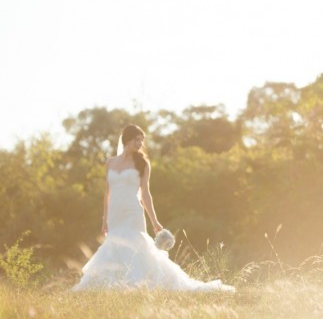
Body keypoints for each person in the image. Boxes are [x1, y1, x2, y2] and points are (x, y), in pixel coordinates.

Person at [72, 124, 234, 292]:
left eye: (142, 140)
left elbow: (145, 194)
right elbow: (107, 193)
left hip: (132, 213)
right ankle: (110, 285)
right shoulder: (110, 163)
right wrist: (104, 219)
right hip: (115, 215)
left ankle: (138, 284)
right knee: (114, 247)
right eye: (137, 140)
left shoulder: (142, 164)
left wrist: (154, 221)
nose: (140, 143)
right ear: (127, 139)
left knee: (137, 247)